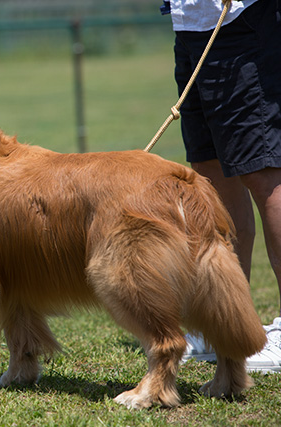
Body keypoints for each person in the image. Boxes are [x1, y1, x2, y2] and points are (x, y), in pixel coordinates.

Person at [164, 0, 281, 372]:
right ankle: (230, 324)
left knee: (265, 172)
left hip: (240, 21)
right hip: (189, 27)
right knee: (209, 173)